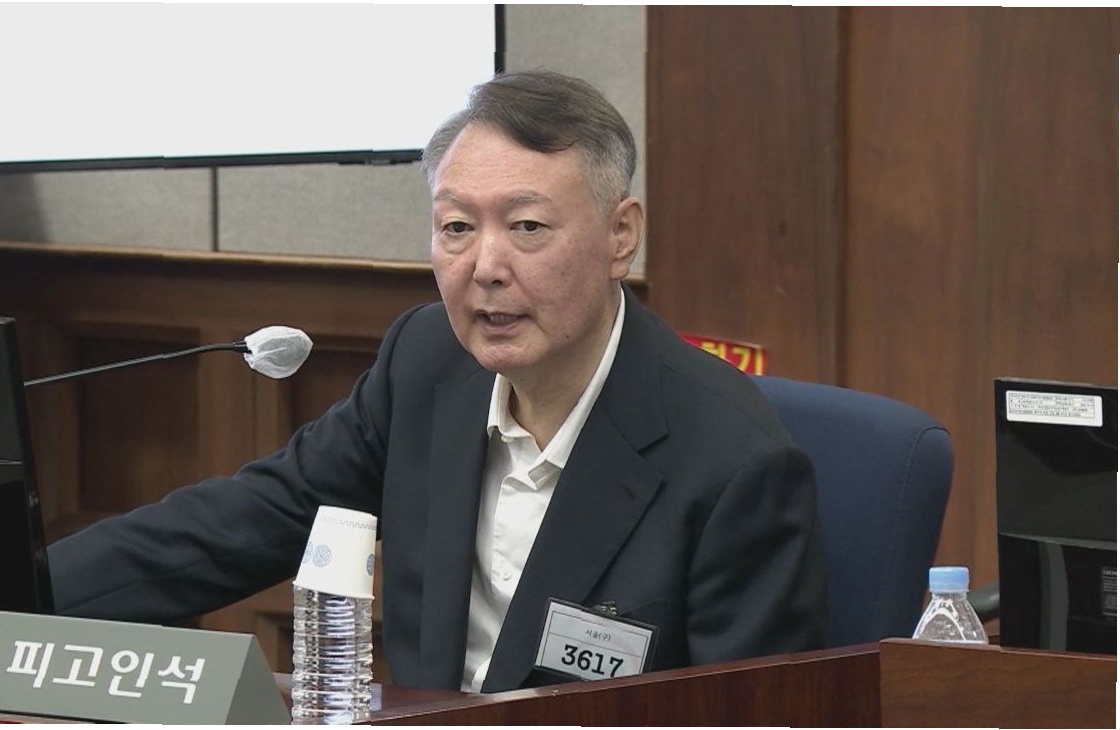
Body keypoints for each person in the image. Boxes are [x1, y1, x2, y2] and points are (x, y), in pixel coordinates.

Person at [48, 70, 828, 693]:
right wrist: (10, 597)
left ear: (620, 235)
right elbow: (253, 519)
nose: (485, 266)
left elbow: (754, 716)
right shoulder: (427, 362)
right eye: (457, 227)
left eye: (527, 228)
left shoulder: (731, 463)